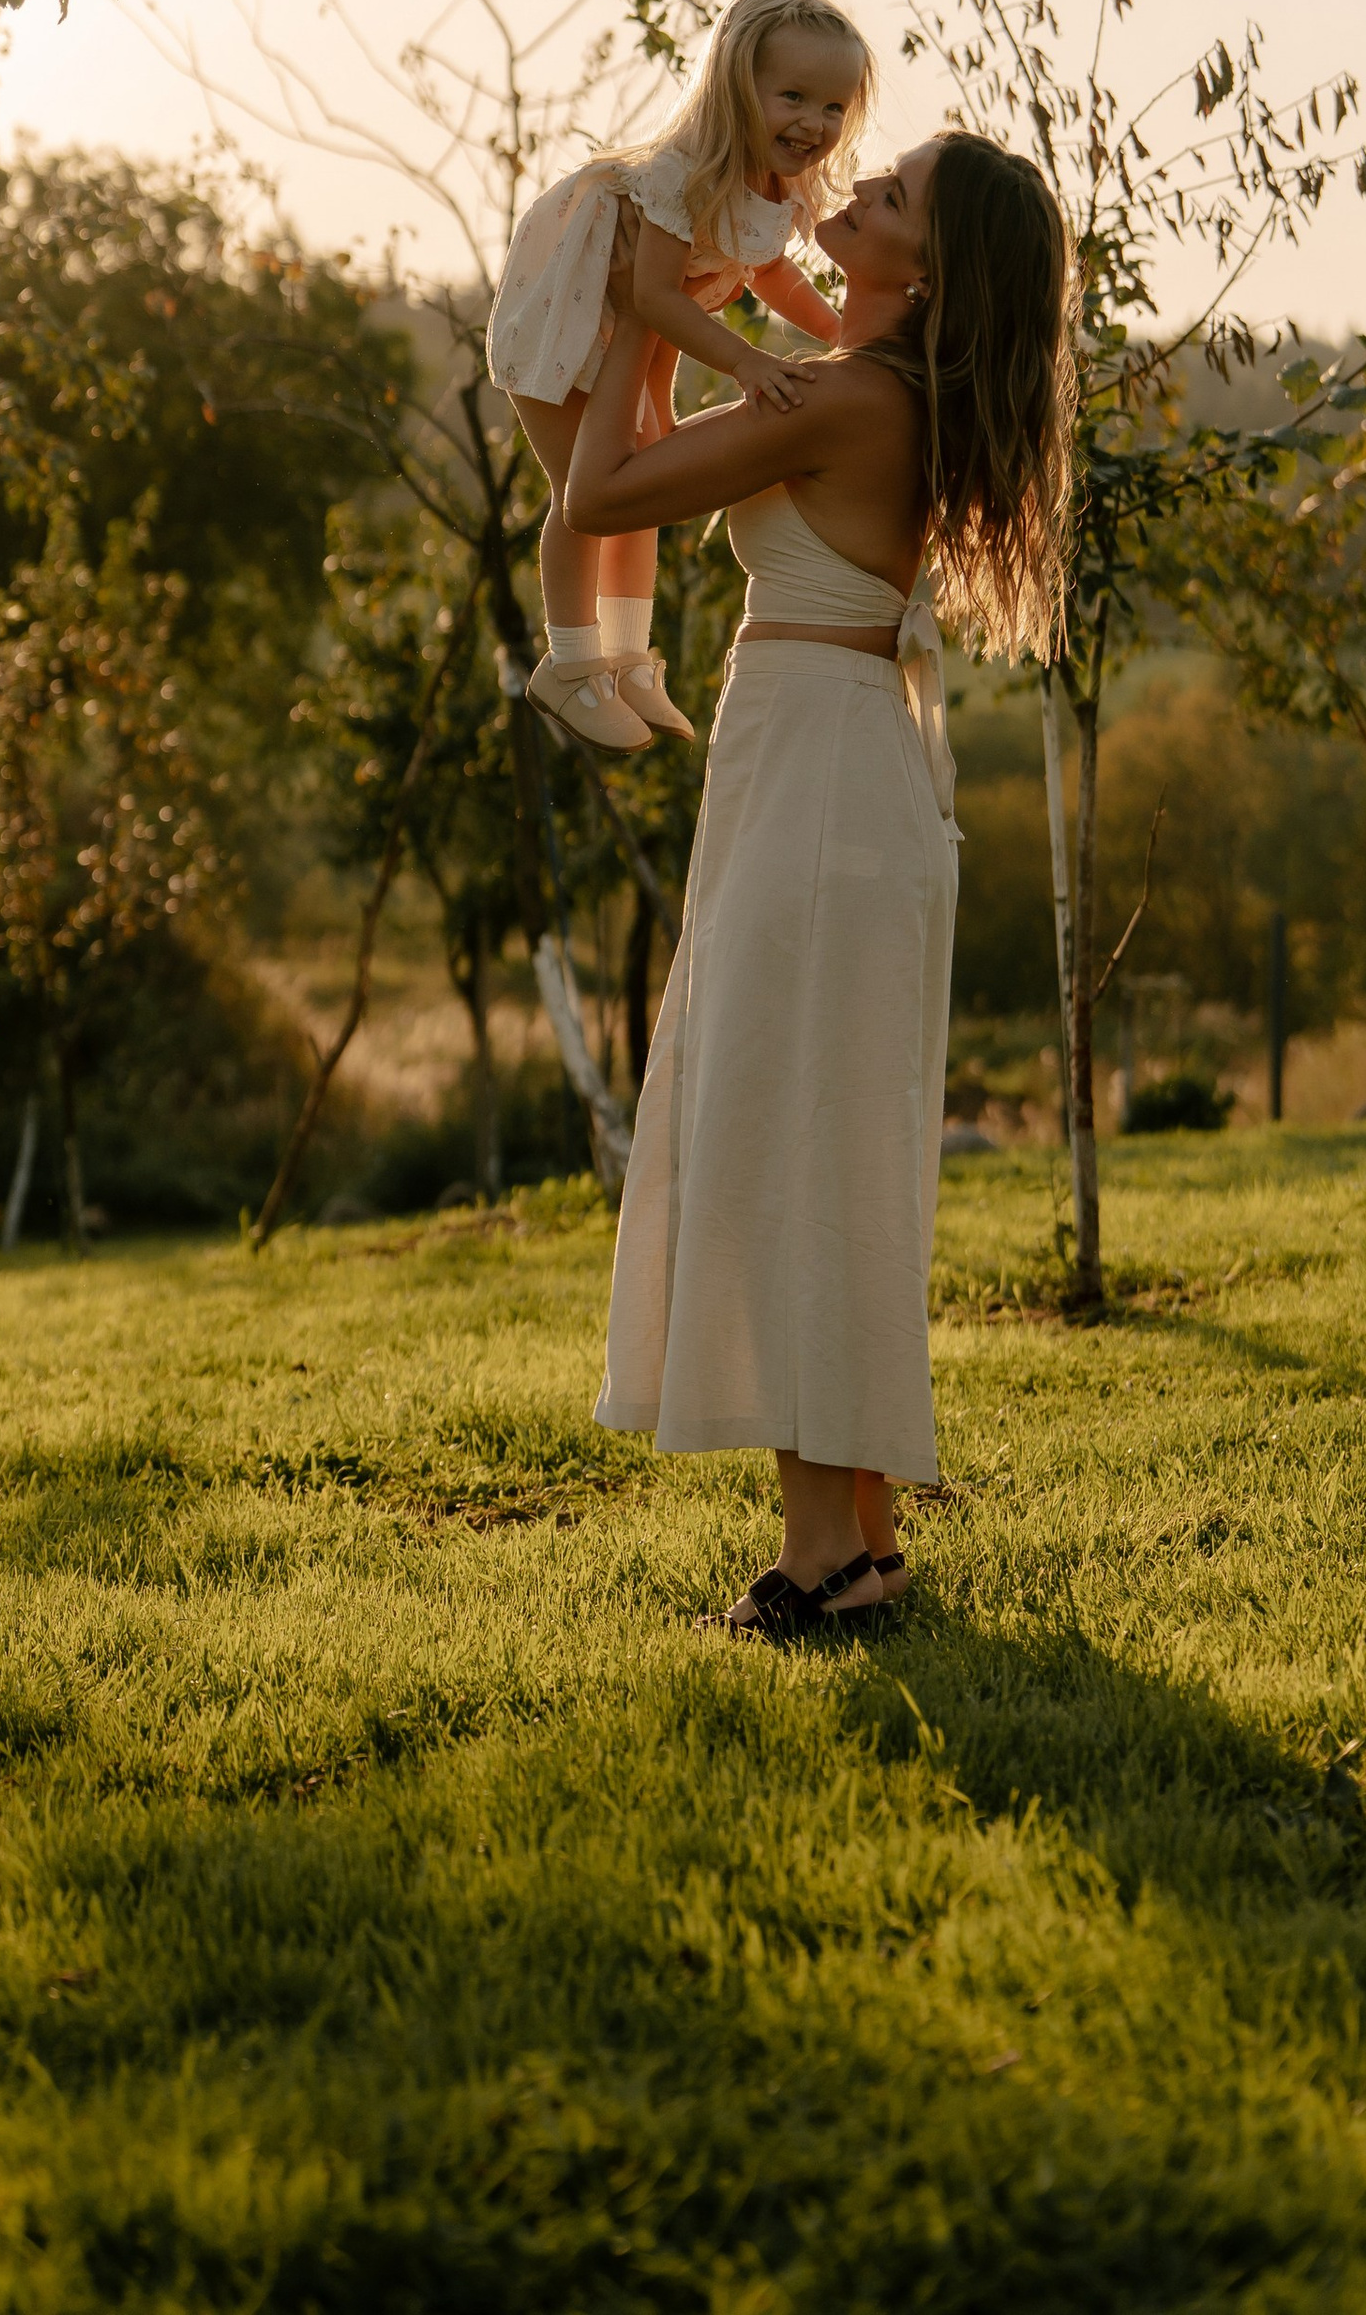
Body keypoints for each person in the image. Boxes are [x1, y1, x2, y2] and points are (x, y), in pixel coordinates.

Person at [566, 127, 1073, 1635]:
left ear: (926, 269)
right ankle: (859, 1534)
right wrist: (689, 312)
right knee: (827, 1150)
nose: (853, 194)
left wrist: (629, 314)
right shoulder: (870, 387)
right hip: (826, 776)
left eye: (892, 196)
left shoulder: (851, 400)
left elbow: (600, 496)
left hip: (823, 793)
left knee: (789, 1149)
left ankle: (824, 1562)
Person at [485, 0, 870, 756]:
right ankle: (568, 664)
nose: (813, 123)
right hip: (567, 312)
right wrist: (746, 362)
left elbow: (766, 270)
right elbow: (654, 295)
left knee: (642, 490)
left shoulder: (779, 183)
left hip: (633, 325)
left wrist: (840, 331)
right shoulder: (682, 174)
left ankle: (628, 657)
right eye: (792, 96)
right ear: (737, 88)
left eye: (833, 106)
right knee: (582, 493)